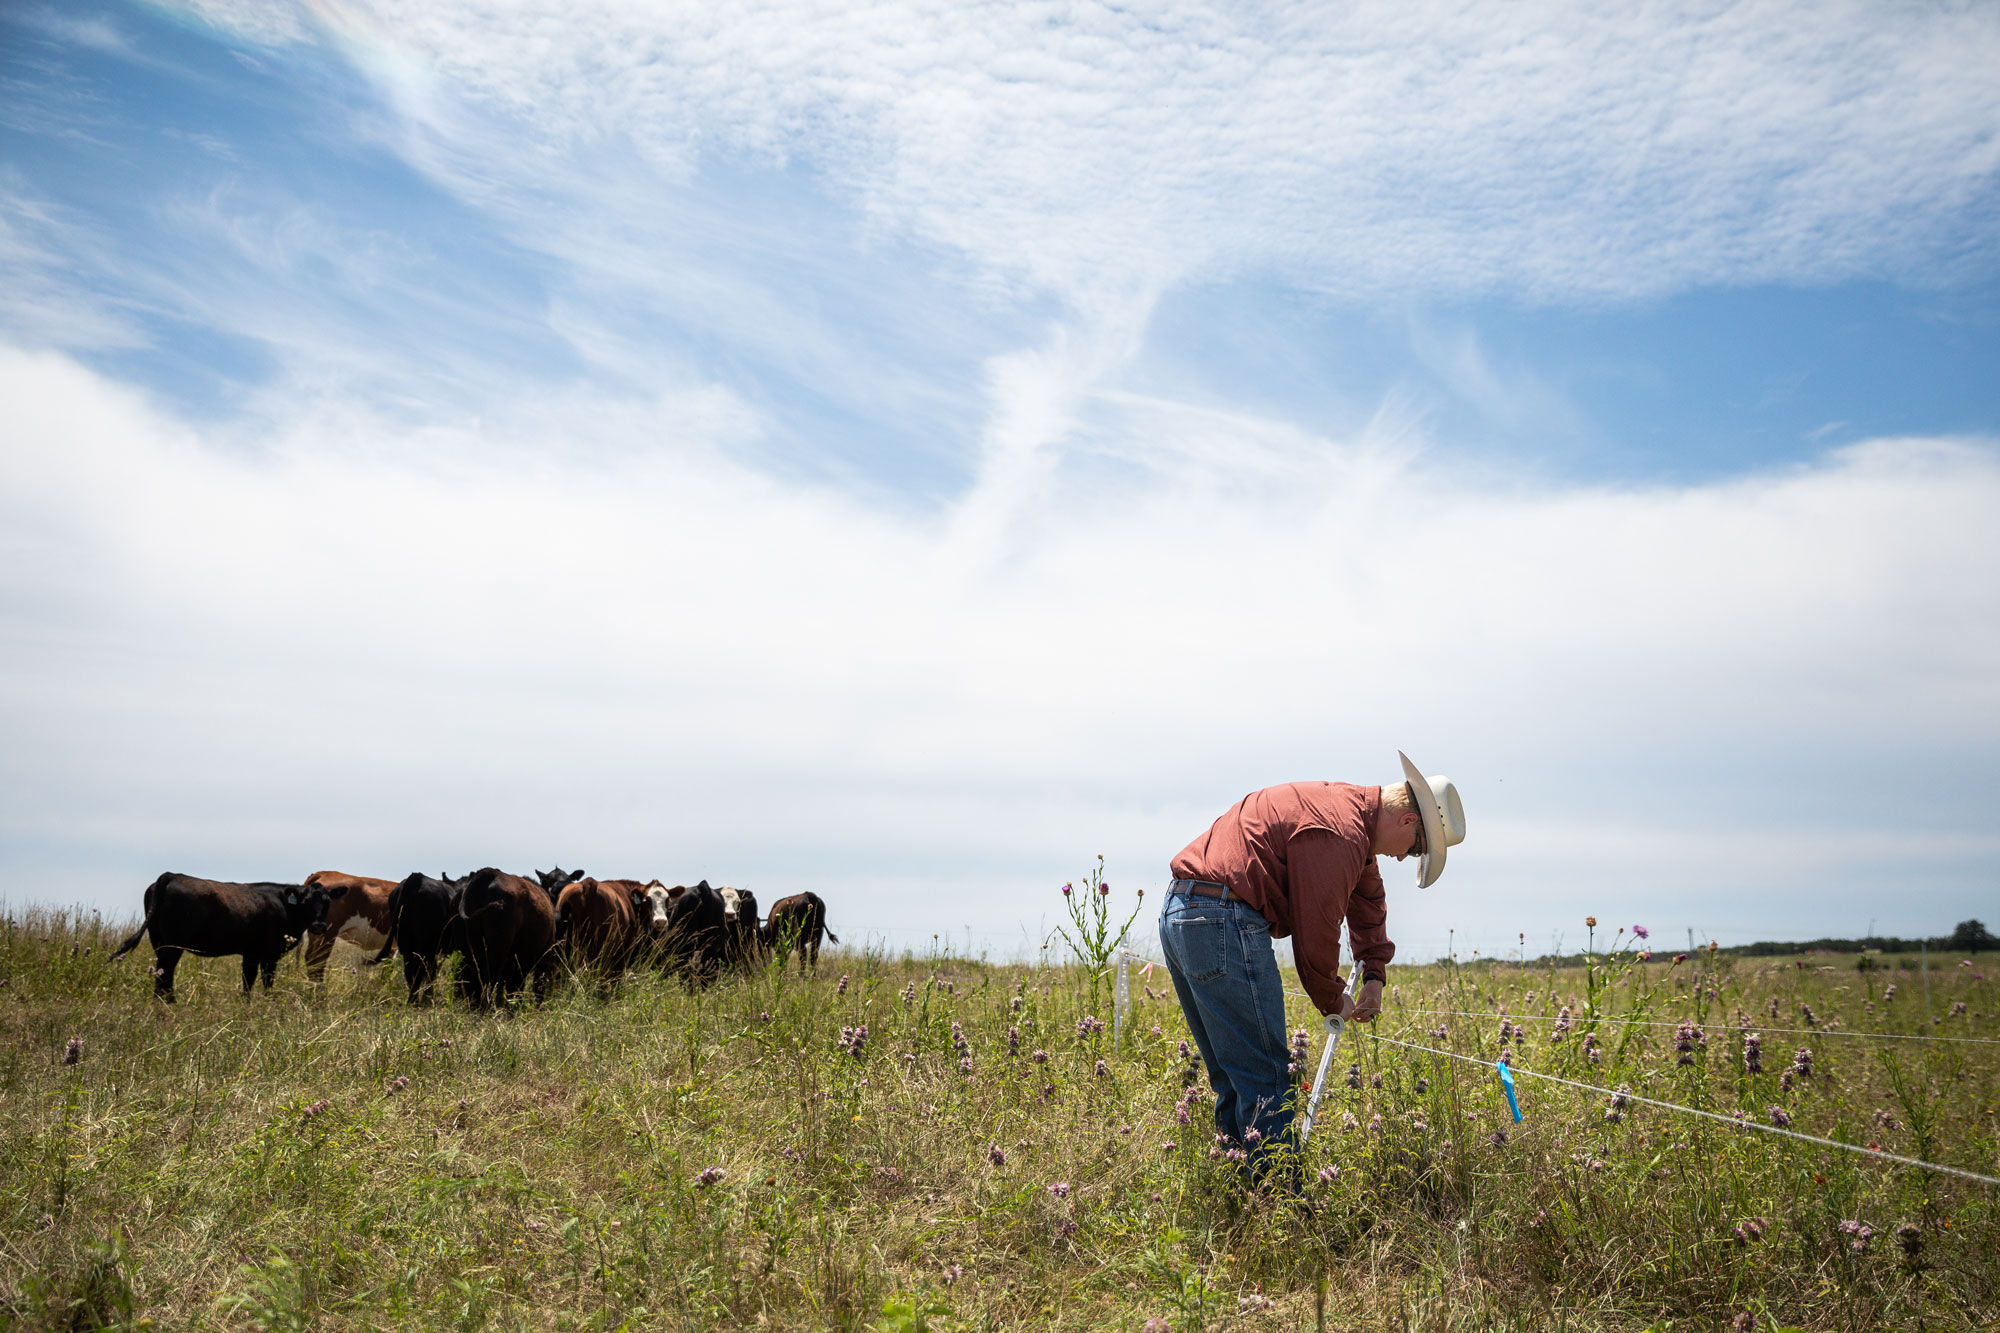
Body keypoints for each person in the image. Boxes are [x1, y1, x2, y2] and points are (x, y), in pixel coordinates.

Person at [1158, 751, 1464, 1175]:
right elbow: (1317, 925)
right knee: (1268, 1077)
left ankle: (1237, 1187)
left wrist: (1374, 973)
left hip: (1183, 911)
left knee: (1235, 1075)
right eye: (1414, 851)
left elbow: (1367, 900)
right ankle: (1278, 1200)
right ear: (1408, 822)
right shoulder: (1340, 833)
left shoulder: (1346, 815)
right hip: (1222, 918)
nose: (1402, 859)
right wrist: (1332, 998)